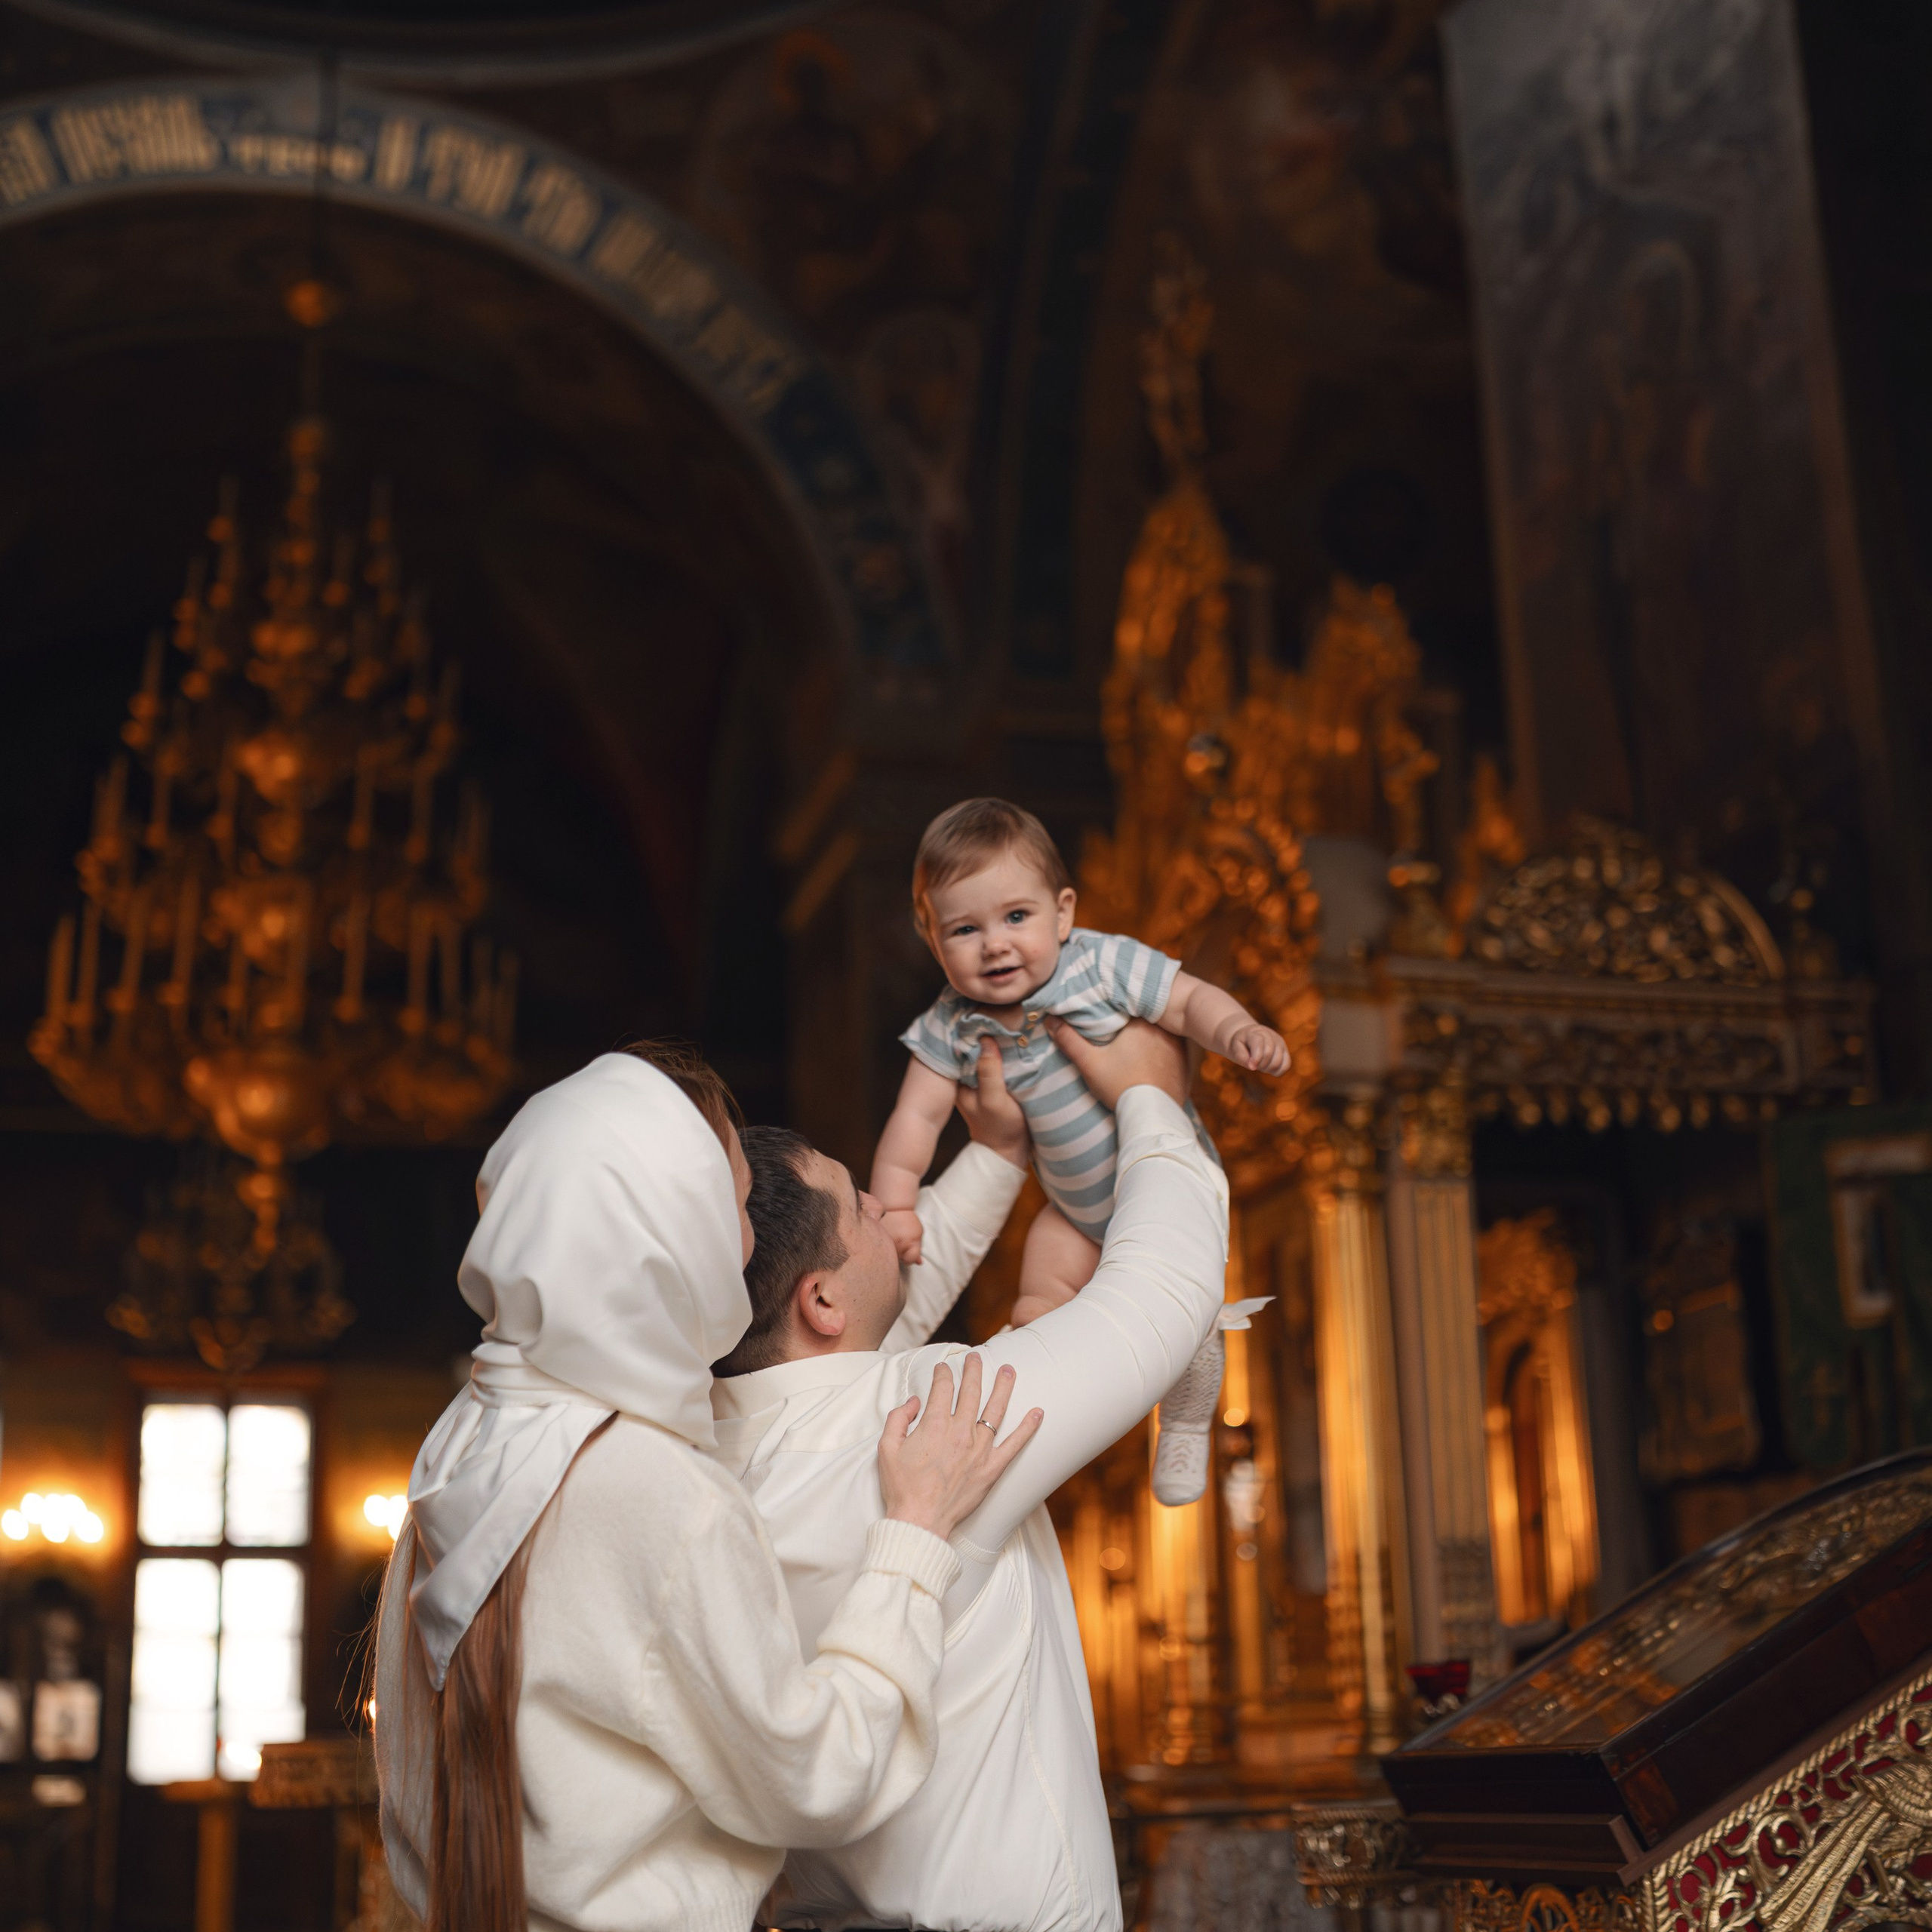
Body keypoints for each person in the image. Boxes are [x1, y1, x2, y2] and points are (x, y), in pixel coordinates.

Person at [372, 1044, 1044, 1932]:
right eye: (730, 1207)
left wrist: (992, 1161)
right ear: (669, 1235)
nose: (749, 1242)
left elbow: (852, 1317)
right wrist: (915, 1536)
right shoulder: (654, 1484)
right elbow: (815, 1775)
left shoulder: (463, 1444)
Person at [714, 1020, 1239, 1932]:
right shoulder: (920, 1412)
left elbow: (881, 1303)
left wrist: (997, 1155)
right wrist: (1154, 1101)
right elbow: (1166, 1288)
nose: (891, 1208)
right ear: (821, 1300)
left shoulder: (707, 1460)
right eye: (861, 1204)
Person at [869, 796, 1286, 1503]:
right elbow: (917, 1116)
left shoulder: (1101, 964)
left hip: (1155, 1182)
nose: (995, 944)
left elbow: (1187, 1003)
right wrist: (899, 1205)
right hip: (1071, 1205)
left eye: (1017, 918)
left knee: (1180, 1309)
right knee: (1037, 1304)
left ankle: (1185, 1419)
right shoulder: (950, 1023)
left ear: (1063, 912)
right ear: (930, 936)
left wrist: (1238, 1030)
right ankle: (1056, 1424)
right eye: (965, 929)